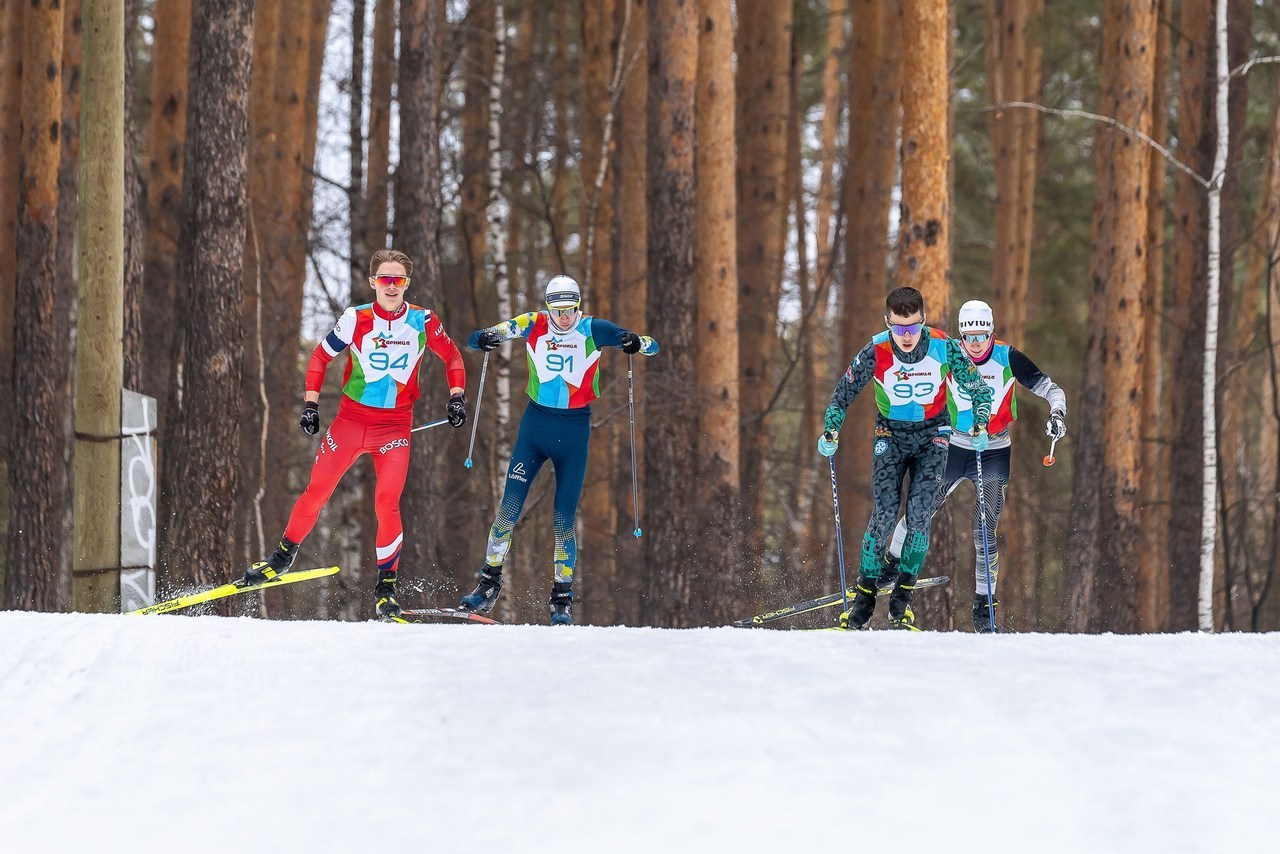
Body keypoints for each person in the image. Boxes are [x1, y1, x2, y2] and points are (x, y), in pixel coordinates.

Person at [241, 248, 467, 619]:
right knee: (316, 492)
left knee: (386, 502)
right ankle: (280, 559)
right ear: (373, 282)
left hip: (394, 426)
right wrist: (311, 405)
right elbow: (319, 357)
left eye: (399, 280)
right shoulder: (355, 318)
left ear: (407, 284)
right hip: (351, 422)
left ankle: (386, 590)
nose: (392, 287)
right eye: (385, 279)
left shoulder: (423, 321)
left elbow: (454, 357)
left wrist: (456, 397)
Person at [457, 274, 658, 625]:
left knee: (564, 517)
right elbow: (479, 338)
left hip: (574, 431)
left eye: (570, 310)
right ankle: (488, 584)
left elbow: (652, 345)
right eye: (557, 310)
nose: (564, 318)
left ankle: (561, 600)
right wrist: (486, 338)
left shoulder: (594, 328)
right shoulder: (532, 323)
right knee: (508, 510)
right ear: (547, 307)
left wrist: (635, 342)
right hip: (535, 429)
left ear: (578, 306)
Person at [881, 299, 1067, 632]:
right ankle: (890, 565)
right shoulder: (948, 354)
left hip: (994, 450)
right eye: (969, 337)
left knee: (985, 529)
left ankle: (984, 606)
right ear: (961, 336)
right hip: (954, 446)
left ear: (991, 333)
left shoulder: (1008, 357)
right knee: (919, 510)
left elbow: (1052, 390)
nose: (976, 344)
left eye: (982, 336)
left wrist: (1057, 415)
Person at [818, 286, 992, 630]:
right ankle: (864, 601)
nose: (907, 336)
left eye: (912, 327)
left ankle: (901, 602)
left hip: (933, 436)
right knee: (884, 514)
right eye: (899, 328)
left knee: (918, 516)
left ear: (923, 320)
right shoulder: (877, 349)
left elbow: (979, 389)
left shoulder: (943, 347)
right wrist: (831, 429)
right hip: (891, 435)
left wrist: (981, 422)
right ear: (888, 323)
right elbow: (842, 395)